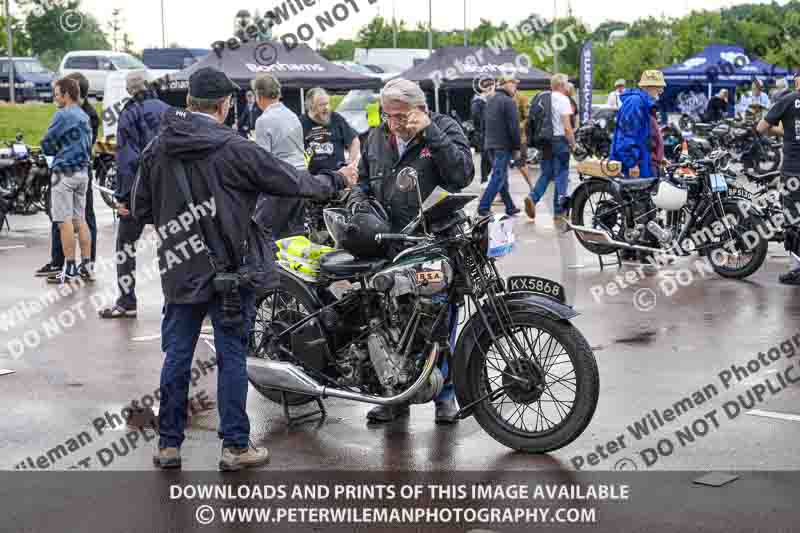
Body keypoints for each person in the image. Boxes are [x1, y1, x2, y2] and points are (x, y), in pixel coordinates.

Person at [133, 67, 354, 470]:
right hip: (234, 270)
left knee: (177, 354)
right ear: (225, 105)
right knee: (232, 354)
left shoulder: (158, 147)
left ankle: (168, 446)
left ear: (189, 103)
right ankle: (235, 446)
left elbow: (140, 207)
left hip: (180, 270)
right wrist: (337, 180)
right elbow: (291, 182)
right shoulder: (235, 147)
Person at [351, 78, 474, 423]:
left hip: (436, 241)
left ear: (420, 109)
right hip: (390, 245)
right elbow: (362, 183)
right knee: (390, 322)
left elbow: (462, 175)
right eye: (388, 115)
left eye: (402, 116)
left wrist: (431, 132)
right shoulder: (376, 137)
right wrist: (361, 208)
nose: (395, 123)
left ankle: (444, 396)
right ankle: (395, 395)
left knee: (438, 323)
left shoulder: (444, 127)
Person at [98, 70, 170, 318]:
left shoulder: (128, 114)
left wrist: (121, 196)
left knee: (126, 245)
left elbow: (127, 158)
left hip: (139, 190)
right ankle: (177, 301)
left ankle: (127, 301)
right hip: (167, 189)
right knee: (172, 244)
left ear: (129, 90)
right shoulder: (166, 109)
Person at [36, 73, 98, 279]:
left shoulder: (62, 115)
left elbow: (47, 142)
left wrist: (52, 150)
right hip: (83, 173)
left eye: (57, 95)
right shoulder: (84, 115)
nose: (55, 99)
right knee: (81, 220)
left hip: (64, 174)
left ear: (66, 95)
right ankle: (87, 266)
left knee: (64, 222)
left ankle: (69, 268)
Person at [251, 73, 307, 239]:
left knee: (262, 234)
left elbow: (263, 161)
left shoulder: (263, 120)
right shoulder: (292, 115)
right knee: (295, 235)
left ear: (258, 95)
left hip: (280, 181)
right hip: (302, 180)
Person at [757, 77, 800, 284]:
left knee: (793, 219)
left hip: (794, 170)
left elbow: (761, 127)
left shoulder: (788, 100)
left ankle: (797, 270)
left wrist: (783, 131)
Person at [524, 73, 575, 223]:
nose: (567, 85)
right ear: (561, 85)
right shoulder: (564, 100)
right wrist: (573, 144)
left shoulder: (543, 98)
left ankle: (532, 198)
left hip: (545, 142)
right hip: (560, 141)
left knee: (546, 174)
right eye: (566, 83)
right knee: (562, 176)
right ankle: (559, 212)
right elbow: (567, 127)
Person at [478, 74, 522, 217]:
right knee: (498, 177)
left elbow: (483, 124)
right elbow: (514, 128)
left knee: (500, 176)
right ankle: (483, 206)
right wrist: (517, 148)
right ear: (505, 84)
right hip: (502, 145)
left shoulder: (490, 100)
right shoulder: (508, 102)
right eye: (514, 84)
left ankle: (510, 206)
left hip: (490, 144)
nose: (516, 87)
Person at [609, 70, 666, 179]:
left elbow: (649, 136)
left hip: (645, 162)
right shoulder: (635, 103)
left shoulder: (645, 103)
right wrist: (632, 163)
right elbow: (626, 136)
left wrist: (659, 156)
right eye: (659, 86)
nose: (662, 90)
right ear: (648, 87)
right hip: (636, 166)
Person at [301, 87, 360, 174]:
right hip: (313, 179)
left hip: (337, 178)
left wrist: (350, 164)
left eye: (327, 104)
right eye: (321, 105)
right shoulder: (301, 123)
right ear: (311, 106)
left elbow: (354, 141)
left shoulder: (336, 119)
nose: (326, 108)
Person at [470, 79, 494, 186]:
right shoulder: (478, 101)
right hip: (483, 133)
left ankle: (487, 178)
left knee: (488, 156)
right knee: (486, 156)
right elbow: (476, 118)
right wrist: (480, 129)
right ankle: (485, 179)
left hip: (488, 132)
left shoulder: (488, 100)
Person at [514, 86, 532, 188]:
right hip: (504, 138)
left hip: (519, 137)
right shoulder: (502, 97)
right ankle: (500, 194)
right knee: (500, 167)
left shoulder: (521, 97)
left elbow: (527, 117)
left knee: (521, 164)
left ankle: (532, 188)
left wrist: (521, 125)